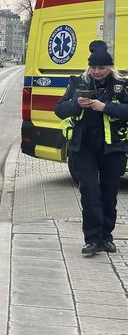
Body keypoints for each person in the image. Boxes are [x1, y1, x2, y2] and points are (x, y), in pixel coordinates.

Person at [55, 40, 128, 255]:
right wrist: (76, 104)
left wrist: (106, 107)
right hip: (84, 146)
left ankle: (106, 237)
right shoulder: (78, 83)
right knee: (89, 192)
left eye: (102, 67)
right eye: (94, 67)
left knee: (109, 193)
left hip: (112, 147)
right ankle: (92, 239)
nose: (97, 72)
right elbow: (59, 110)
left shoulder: (121, 85)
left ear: (109, 67)